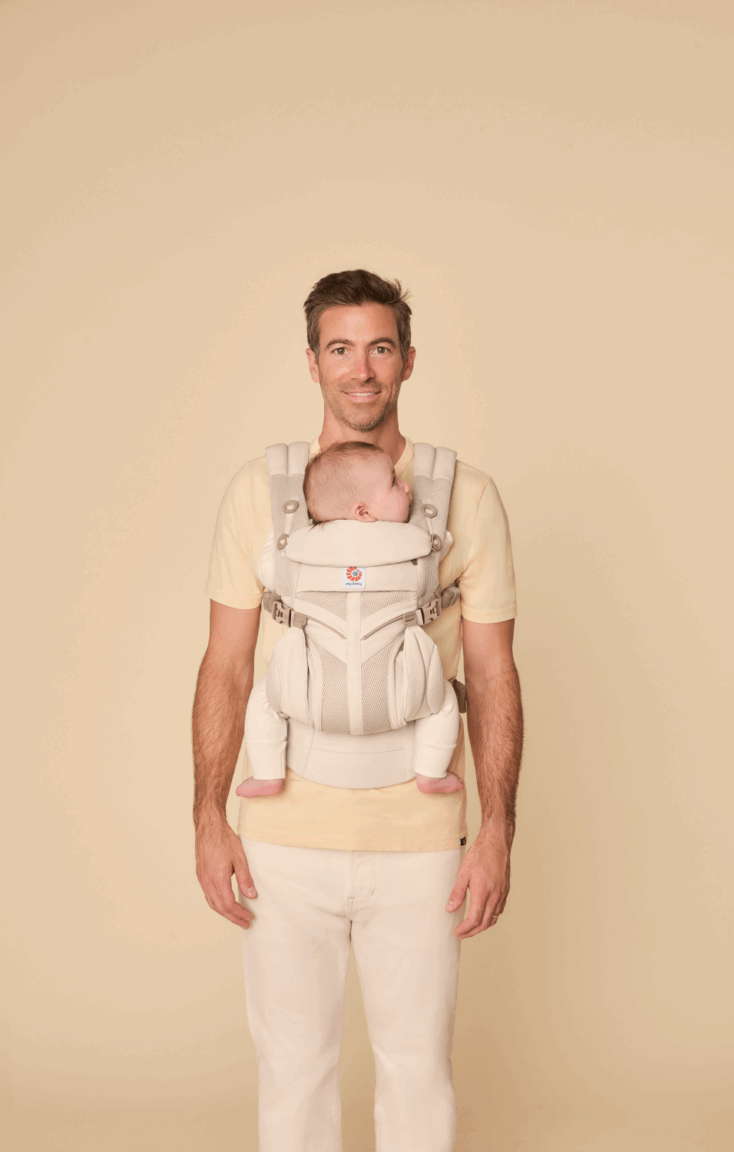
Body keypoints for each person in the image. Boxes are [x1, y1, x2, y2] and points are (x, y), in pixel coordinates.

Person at [193, 269, 523, 1152]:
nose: (361, 369)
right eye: (340, 349)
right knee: (292, 1074)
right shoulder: (258, 494)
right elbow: (226, 665)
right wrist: (208, 816)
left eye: (380, 347)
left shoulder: (465, 497)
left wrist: (497, 829)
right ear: (312, 363)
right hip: (281, 841)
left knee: (417, 1072)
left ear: (408, 360)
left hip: (420, 841)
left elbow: (493, 673)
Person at [236, 438, 464, 799]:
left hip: (312, 699)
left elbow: (268, 568)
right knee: (444, 700)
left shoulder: (296, 559)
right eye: (394, 482)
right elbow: (444, 541)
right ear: (363, 511)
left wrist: (278, 536)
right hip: (397, 697)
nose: (406, 486)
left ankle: (267, 774)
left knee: (264, 697)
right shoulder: (418, 553)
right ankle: (431, 773)